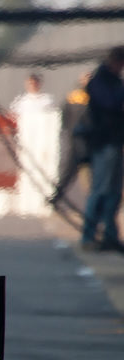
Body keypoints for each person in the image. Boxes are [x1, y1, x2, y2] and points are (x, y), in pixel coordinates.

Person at [80, 46, 124, 253]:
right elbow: (111, 103)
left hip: (114, 142)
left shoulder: (114, 82)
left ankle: (110, 235)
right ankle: (89, 235)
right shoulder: (101, 82)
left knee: (114, 192)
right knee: (101, 190)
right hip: (104, 142)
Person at [50, 72, 92, 207]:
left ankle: (94, 203)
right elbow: (64, 117)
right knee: (67, 172)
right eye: (85, 78)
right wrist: (68, 134)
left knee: (91, 175)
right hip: (74, 141)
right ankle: (56, 197)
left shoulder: (97, 98)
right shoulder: (73, 97)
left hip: (91, 142)